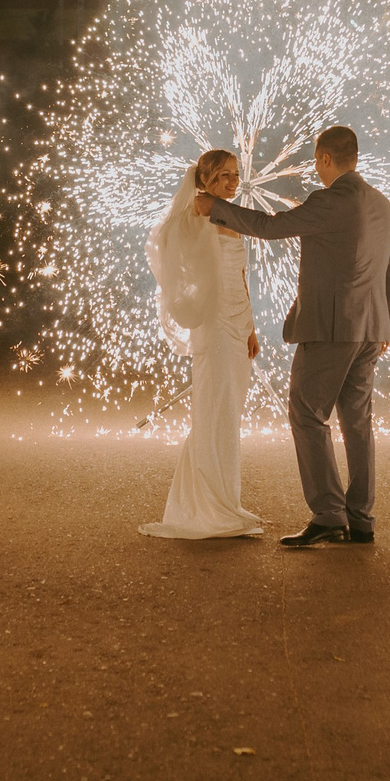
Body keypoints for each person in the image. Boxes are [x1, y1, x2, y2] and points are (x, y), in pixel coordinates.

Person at [197, 125, 390, 547]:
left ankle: (328, 513)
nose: (315, 168)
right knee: (358, 424)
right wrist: (387, 324)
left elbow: (272, 227)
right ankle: (362, 519)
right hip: (370, 329)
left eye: (315, 160)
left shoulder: (330, 201)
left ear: (326, 159)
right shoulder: (384, 206)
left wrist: (216, 205)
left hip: (330, 329)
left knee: (306, 413)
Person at [139, 149, 266, 539]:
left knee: (230, 413)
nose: (233, 181)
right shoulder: (192, 215)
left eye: (236, 174)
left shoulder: (233, 213)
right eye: (225, 175)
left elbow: (241, 274)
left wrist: (251, 327)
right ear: (205, 178)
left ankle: (225, 499)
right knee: (213, 409)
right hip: (212, 324)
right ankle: (207, 505)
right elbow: (168, 252)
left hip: (237, 320)